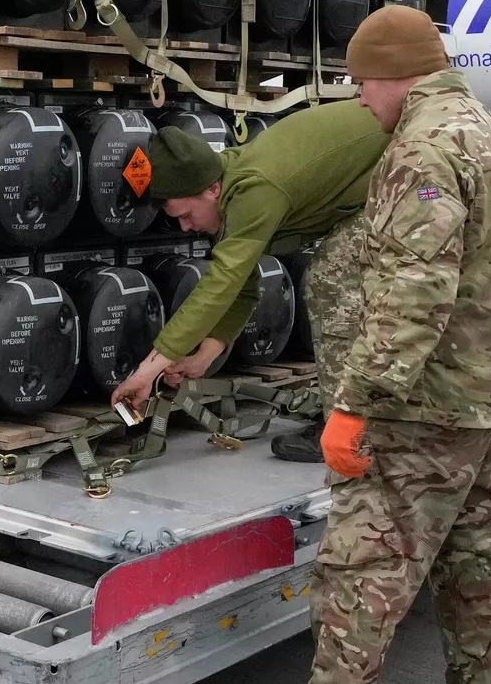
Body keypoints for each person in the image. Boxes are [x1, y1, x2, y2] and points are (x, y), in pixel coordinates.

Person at [287, 6, 491, 684]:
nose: (360, 99)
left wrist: (354, 401)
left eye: (362, 83)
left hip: (424, 409)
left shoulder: (424, 148)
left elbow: (413, 289)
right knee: (483, 565)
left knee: (361, 572)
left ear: (394, 75)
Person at [109, 104, 391, 463]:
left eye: (185, 215)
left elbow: (221, 284)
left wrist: (146, 372)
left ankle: (350, 430)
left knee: (330, 281)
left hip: (411, 166)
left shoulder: (255, 189)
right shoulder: (227, 190)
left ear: (211, 190)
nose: (185, 227)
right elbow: (242, 285)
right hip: (375, 182)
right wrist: (201, 360)